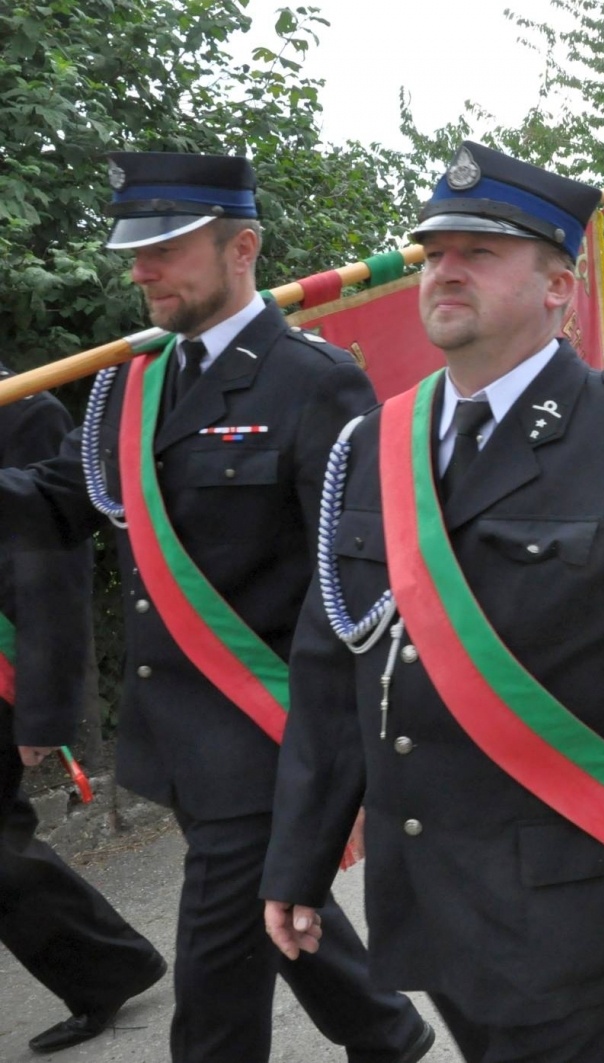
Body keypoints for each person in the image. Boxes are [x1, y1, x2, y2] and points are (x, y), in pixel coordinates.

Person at [259, 142, 604, 1063]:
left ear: (560, 287)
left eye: (480, 251)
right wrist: (300, 857)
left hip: (561, 897)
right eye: (435, 252)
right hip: (423, 885)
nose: (446, 270)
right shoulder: (376, 442)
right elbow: (331, 664)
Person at [0, 152, 432, 1063]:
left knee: (215, 978)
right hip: (178, 732)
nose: (140, 270)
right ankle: (385, 1033)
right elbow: (55, 503)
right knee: (272, 908)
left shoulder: (314, 381)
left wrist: (339, 756)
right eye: (135, 250)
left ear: (244, 247)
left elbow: (349, 583)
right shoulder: (131, 382)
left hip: (269, 731)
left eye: (166, 248)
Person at [0, 375, 168, 1055]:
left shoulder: (24, 406)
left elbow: (47, 564)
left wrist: (43, 707)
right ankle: (108, 964)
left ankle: (105, 966)